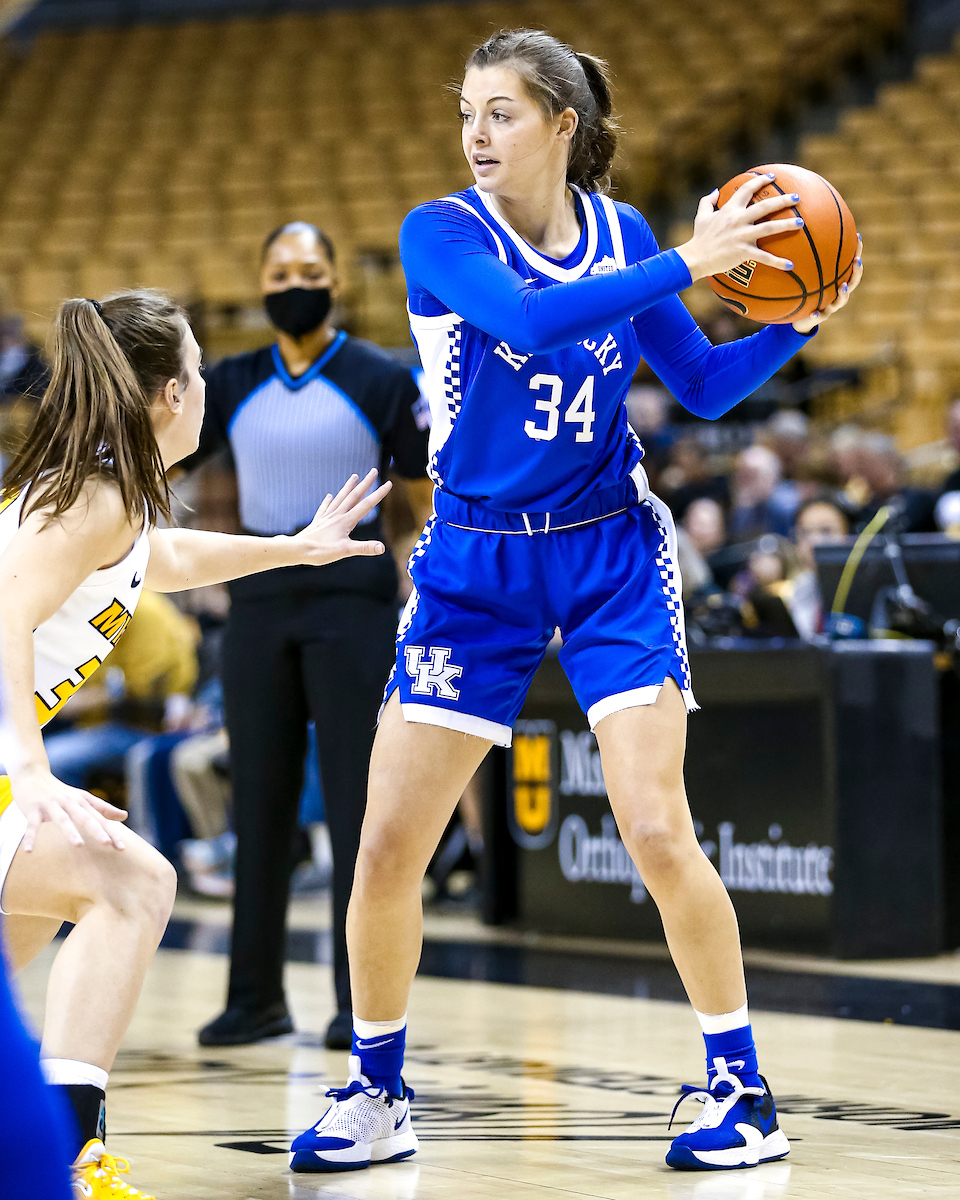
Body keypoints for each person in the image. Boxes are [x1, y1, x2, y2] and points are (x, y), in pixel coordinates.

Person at [289, 28, 861, 1176]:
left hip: (608, 553)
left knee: (654, 826)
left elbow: (701, 385)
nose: (475, 134)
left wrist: (796, 322)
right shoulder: (441, 232)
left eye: (500, 113)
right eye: (466, 113)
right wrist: (693, 261)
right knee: (388, 844)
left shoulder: (625, 234)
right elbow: (529, 320)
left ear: (562, 125)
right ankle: (377, 1089)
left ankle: (741, 1090)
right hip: (474, 564)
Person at [0, 288, 391, 1197]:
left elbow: (165, 560)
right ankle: (71, 1158)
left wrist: (293, 548)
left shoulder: (112, 495)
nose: (208, 385)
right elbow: (5, 616)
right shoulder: (93, 498)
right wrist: (30, 769)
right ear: (173, 393)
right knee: (132, 883)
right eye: (201, 370)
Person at [185, 222, 431, 1053]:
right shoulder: (231, 380)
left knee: (358, 806)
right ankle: (254, 997)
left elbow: (421, 497)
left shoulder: (381, 377)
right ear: (260, 284)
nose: (296, 283)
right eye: (282, 272)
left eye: (311, 270)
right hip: (258, 603)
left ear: (335, 282)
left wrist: (425, 584)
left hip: (353, 602)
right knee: (258, 801)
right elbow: (168, 460)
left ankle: (359, 1004)